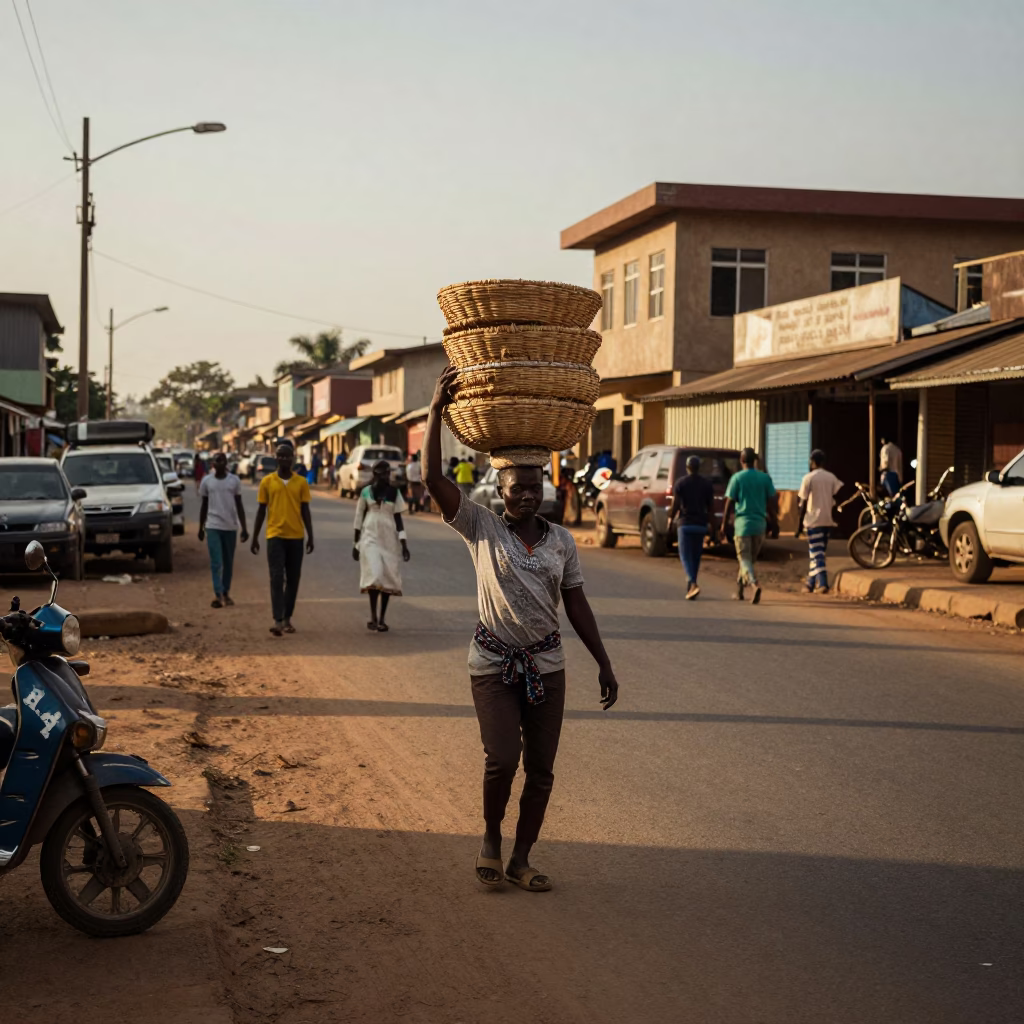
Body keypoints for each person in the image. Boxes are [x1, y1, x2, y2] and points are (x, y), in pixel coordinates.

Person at [424, 366, 619, 893]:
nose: (527, 497)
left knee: (542, 769)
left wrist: (603, 661)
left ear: (544, 490)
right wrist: (436, 409)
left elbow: (576, 604)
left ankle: (522, 858)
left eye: (534, 488)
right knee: (502, 758)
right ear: (501, 491)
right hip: (492, 662)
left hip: (547, 666)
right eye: (517, 489)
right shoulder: (480, 526)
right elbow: (432, 481)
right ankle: (490, 836)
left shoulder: (561, 542)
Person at [250, 443, 314, 636]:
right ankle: (277, 620)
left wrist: (310, 535)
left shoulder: (301, 482)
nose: (284, 459)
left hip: (296, 536)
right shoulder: (267, 482)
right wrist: (254, 537)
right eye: (280, 456)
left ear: (293, 458)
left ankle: (287, 618)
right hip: (274, 536)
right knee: (276, 577)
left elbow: (305, 510)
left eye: (287, 456)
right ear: (275, 458)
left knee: (293, 579)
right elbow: (261, 510)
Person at [353, 460, 411, 631]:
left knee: (387, 578)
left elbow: (399, 521)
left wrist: (404, 544)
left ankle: (381, 619)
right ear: (375, 474)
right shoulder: (365, 492)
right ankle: (373, 615)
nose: (386, 476)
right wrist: (355, 544)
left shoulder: (394, 493)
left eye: (388, 473)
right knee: (375, 575)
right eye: (383, 473)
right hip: (369, 538)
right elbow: (358, 519)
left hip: (389, 540)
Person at [721, 447, 778, 605]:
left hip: (743, 526)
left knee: (744, 559)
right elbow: (771, 502)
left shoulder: (737, 478)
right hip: (760, 526)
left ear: (741, 461)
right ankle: (739, 591)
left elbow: (729, 503)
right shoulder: (765, 478)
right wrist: (775, 522)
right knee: (748, 562)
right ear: (755, 461)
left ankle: (754, 584)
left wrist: (723, 525)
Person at [198, 453, 249, 608]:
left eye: (222, 460)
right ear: (212, 464)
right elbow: (204, 505)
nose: (219, 463)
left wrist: (244, 528)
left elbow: (239, 505)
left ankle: (226, 592)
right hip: (212, 526)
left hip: (230, 526)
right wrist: (201, 527)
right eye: (216, 460)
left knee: (228, 562)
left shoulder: (234, 481)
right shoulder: (207, 481)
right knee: (216, 561)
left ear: (226, 463)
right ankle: (218, 593)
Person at [795, 449, 843, 594]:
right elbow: (837, 497)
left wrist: (798, 526)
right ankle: (810, 583)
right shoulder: (831, 477)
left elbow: (802, 503)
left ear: (813, 461)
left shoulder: (808, 478)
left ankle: (823, 583)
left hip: (813, 521)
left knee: (817, 554)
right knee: (817, 553)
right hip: (827, 520)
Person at [667, 455, 713, 599]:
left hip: (685, 524)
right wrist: (714, 527)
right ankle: (691, 584)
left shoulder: (681, 483)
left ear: (687, 468)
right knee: (696, 556)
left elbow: (675, 504)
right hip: (700, 525)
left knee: (685, 556)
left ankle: (692, 583)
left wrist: (670, 519)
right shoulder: (706, 484)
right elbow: (710, 508)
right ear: (699, 467)